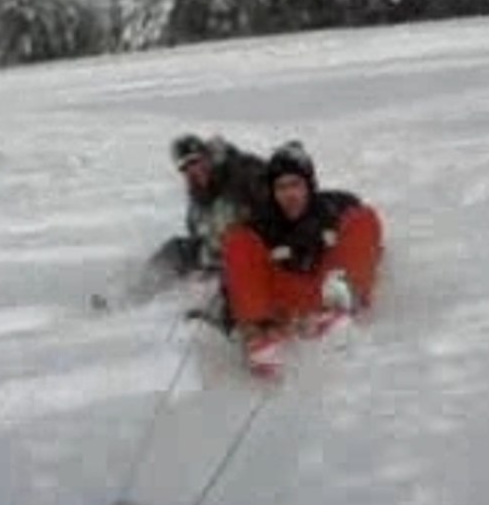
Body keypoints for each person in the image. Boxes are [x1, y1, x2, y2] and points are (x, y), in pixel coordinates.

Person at [221, 141, 383, 375]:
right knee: (237, 241)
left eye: (295, 184)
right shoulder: (260, 225)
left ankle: (343, 309)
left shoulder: (334, 207)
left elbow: (367, 243)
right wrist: (244, 323)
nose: (289, 194)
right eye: (281, 187)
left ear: (309, 185)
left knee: (363, 218)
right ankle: (260, 338)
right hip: (286, 309)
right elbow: (233, 281)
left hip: (331, 292)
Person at [93, 134, 269, 315]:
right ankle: (132, 296)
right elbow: (198, 231)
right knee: (177, 251)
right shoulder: (198, 196)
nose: (193, 170)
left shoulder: (242, 173)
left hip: (257, 249)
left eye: (196, 161)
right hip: (221, 255)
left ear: (207, 156)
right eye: (185, 167)